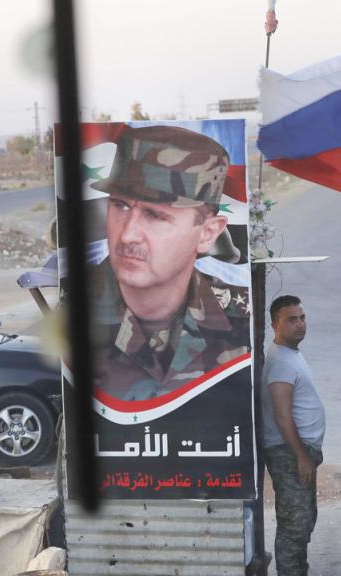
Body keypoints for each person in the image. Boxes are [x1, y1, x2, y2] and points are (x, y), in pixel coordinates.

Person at [88, 125, 250, 401]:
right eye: (120, 206)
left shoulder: (243, 318)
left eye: (154, 215)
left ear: (208, 233)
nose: (127, 234)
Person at [262, 295, 332, 576]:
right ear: (275, 324)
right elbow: (282, 415)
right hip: (288, 453)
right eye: (292, 319)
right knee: (294, 522)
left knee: (305, 518)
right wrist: (302, 456)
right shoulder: (279, 361)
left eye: (302, 317)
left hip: (299, 453)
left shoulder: (290, 354)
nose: (300, 323)